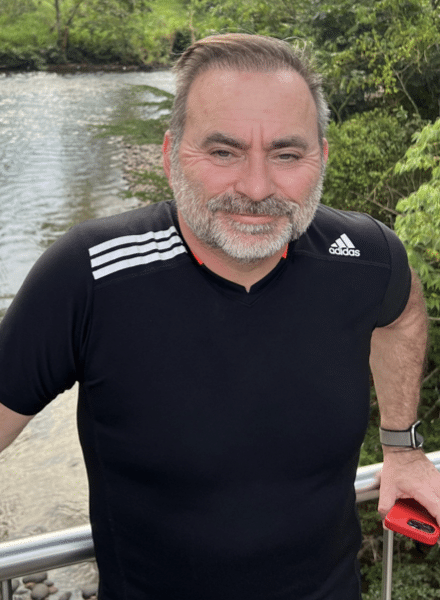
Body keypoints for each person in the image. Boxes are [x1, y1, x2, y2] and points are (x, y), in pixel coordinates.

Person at [0, 33, 439, 600]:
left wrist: (402, 446)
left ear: (322, 158)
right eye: (223, 152)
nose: (256, 188)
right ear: (170, 155)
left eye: (287, 154)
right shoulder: (91, 275)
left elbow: (403, 311)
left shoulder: (362, 257)